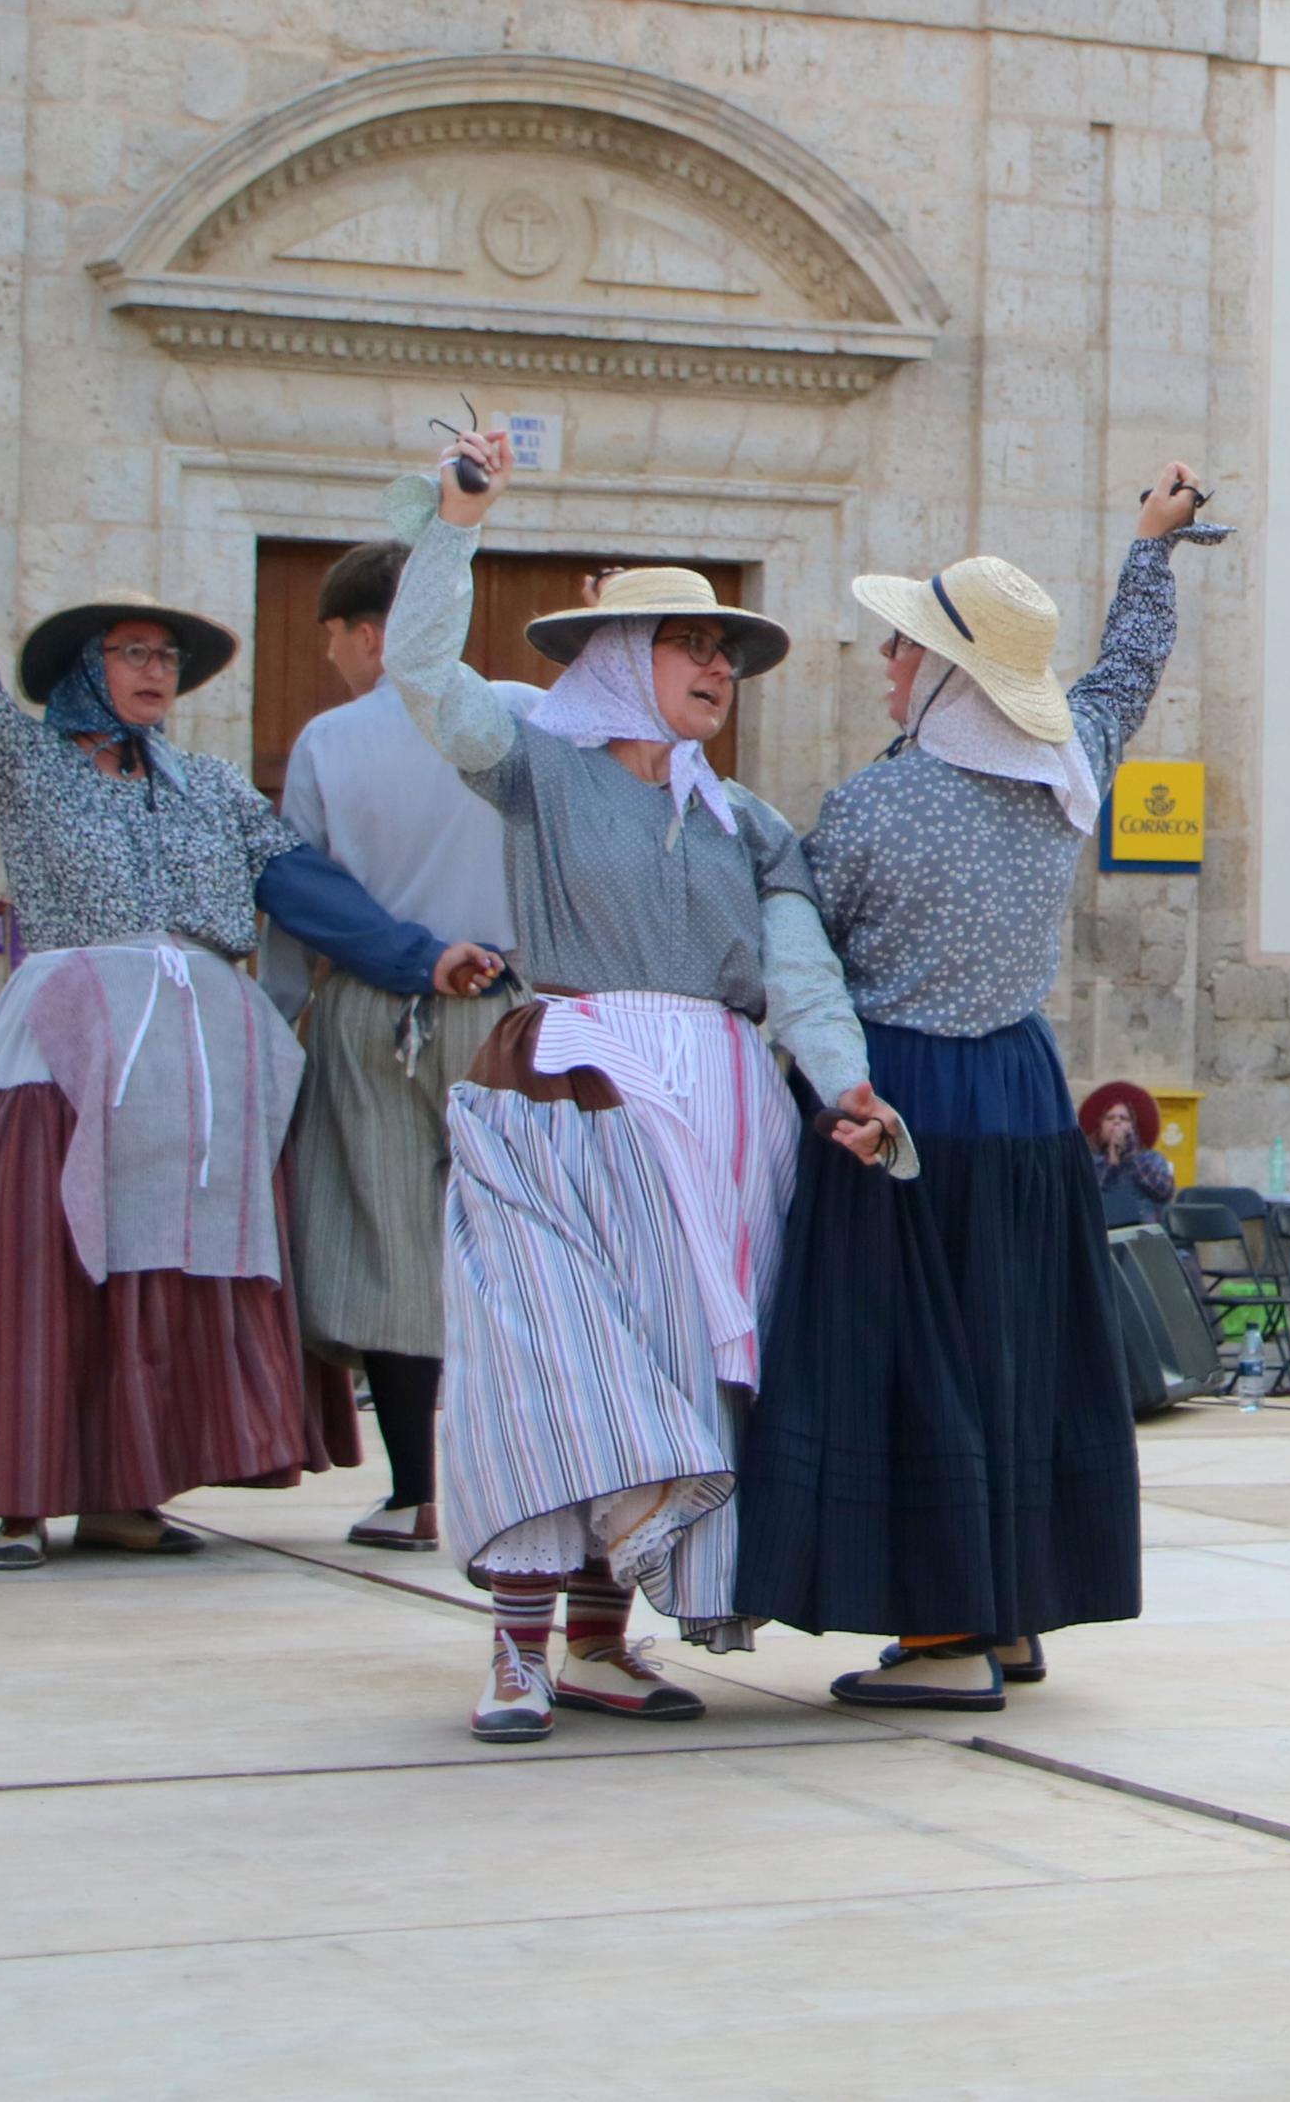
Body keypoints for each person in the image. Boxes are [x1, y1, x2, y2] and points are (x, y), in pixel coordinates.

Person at [0, 426, 501, 1570]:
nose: (156, 670)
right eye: (133, 651)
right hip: (69, 1046)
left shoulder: (213, 788)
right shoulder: (25, 762)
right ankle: (21, 1493)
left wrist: (420, 956)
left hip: (193, 1057)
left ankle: (130, 1487)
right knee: (44, 1261)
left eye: (168, 655)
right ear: (87, 667)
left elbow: (304, 887)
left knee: (163, 1273)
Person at [392, 429, 906, 1740]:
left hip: (722, 1118)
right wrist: (454, 520)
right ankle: (511, 1645)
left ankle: (595, 1642)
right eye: (692, 644)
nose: (717, 670)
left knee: (676, 1370)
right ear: (623, 656)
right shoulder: (535, 762)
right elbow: (420, 674)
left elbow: (799, 970)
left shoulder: (747, 820)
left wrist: (844, 1086)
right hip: (563, 1091)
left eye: (726, 651)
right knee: (541, 1358)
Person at [736, 463, 1214, 1714]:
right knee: (1015, 1352)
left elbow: (801, 955)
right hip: (1019, 1086)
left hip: (901, 1105)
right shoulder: (1071, 774)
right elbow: (1122, 675)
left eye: (902, 654)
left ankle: (944, 1631)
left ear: (947, 675)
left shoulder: (874, 805)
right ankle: (1007, 1613)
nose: (887, 671)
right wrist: (1150, 548)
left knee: (911, 1358)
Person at [269, 535, 538, 1555]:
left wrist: (280, 1022)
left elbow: (301, 899)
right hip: (512, 1006)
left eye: (334, 635)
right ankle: (505, 1475)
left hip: (379, 1011)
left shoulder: (331, 742)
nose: (334, 656)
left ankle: (414, 1491)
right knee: (510, 1243)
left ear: (372, 632)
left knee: (387, 1243)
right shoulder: (525, 710)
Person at [1079, 1081, 1177, 1227]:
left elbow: (1164, 1192)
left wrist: (1130, 1156)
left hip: (1145, 1236)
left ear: (1133, 1126)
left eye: (1123, 1118)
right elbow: (1088, 1196)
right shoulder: (1091, 1162)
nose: (1116, 1122)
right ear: (1100, 1127)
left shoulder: (1152, 1159)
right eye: (1110, 1118)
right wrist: (1111, 1162)